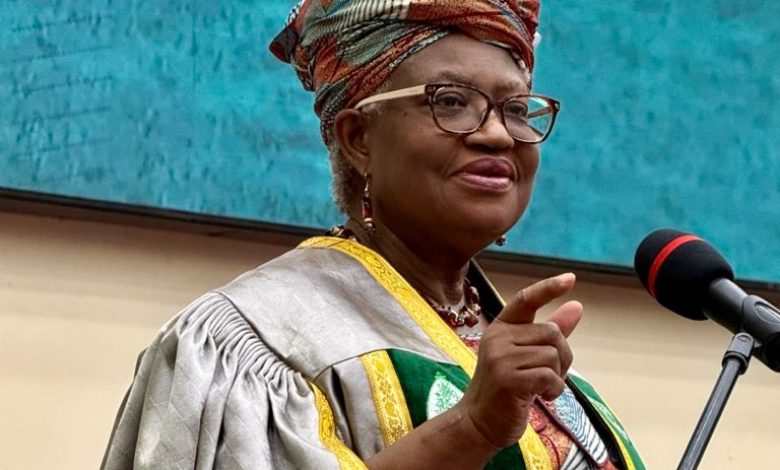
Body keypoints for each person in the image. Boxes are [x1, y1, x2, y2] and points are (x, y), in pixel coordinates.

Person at [102, 1, 645, 469]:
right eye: (451, 101)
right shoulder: (255, 343)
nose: (498, 133)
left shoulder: (527, 351)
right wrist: (472, 430)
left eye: (518, 110)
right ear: (359, 138)